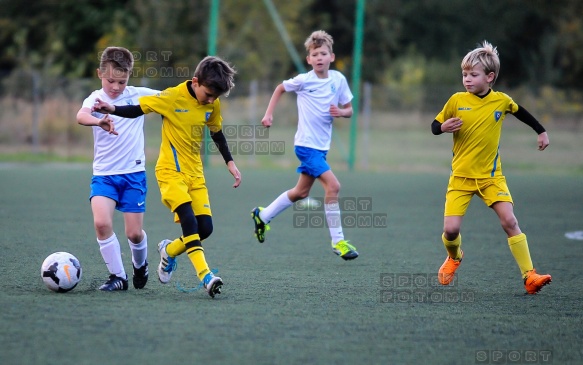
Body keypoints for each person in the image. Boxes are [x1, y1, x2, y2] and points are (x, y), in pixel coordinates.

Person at [93, 55, 241, 298]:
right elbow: (138, 109)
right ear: (195, 82)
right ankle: (206, 276)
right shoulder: (172, 97)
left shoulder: (212, 103)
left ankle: (169, 251)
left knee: (205, 228)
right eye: (209, 95)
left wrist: (230, 163)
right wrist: (112, 108)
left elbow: (217, 133)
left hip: (195, 174)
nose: (212, 100)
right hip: (170, 173)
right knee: (189, 223)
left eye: (216, 97)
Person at [431, 40, 552, 294]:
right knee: (450, 230)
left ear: (490, 77)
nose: (467, 79)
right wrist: (442, 128)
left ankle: (529, 276)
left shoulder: (501, 101)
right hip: (461, 178)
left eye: (473, 75)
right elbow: (434, 126)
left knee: (509, 221)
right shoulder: (456, 100)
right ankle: (454, 257)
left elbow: (521, 112)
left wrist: (541, 131)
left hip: (491, 178)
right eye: (464, 74)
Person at [251, 30, 358, 261]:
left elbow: (349, 110)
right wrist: (269, 115)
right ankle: (338, 241)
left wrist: (341, 112)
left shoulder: (338, 80)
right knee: (334, 186)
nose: (319, 57)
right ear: (309, 59)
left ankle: (263, 215)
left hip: (321, 147)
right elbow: (280, 88)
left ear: (332, 56)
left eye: (323, 53)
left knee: (301, 192)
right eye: (314, 54)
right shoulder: (303, 80)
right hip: (305, 145)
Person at [76, 46, 159, 291]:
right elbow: (81, 116)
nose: (115, 87)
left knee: (134, 234)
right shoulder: (94, 99)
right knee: (101, 224)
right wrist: (98, 121)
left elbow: (173, 97)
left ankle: (140, 265)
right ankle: (118, 277)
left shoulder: (138, 95)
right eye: (111, 80)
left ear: (129, 77)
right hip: (104, 176)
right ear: (100, 74)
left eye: (121, 81)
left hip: (133, 176)